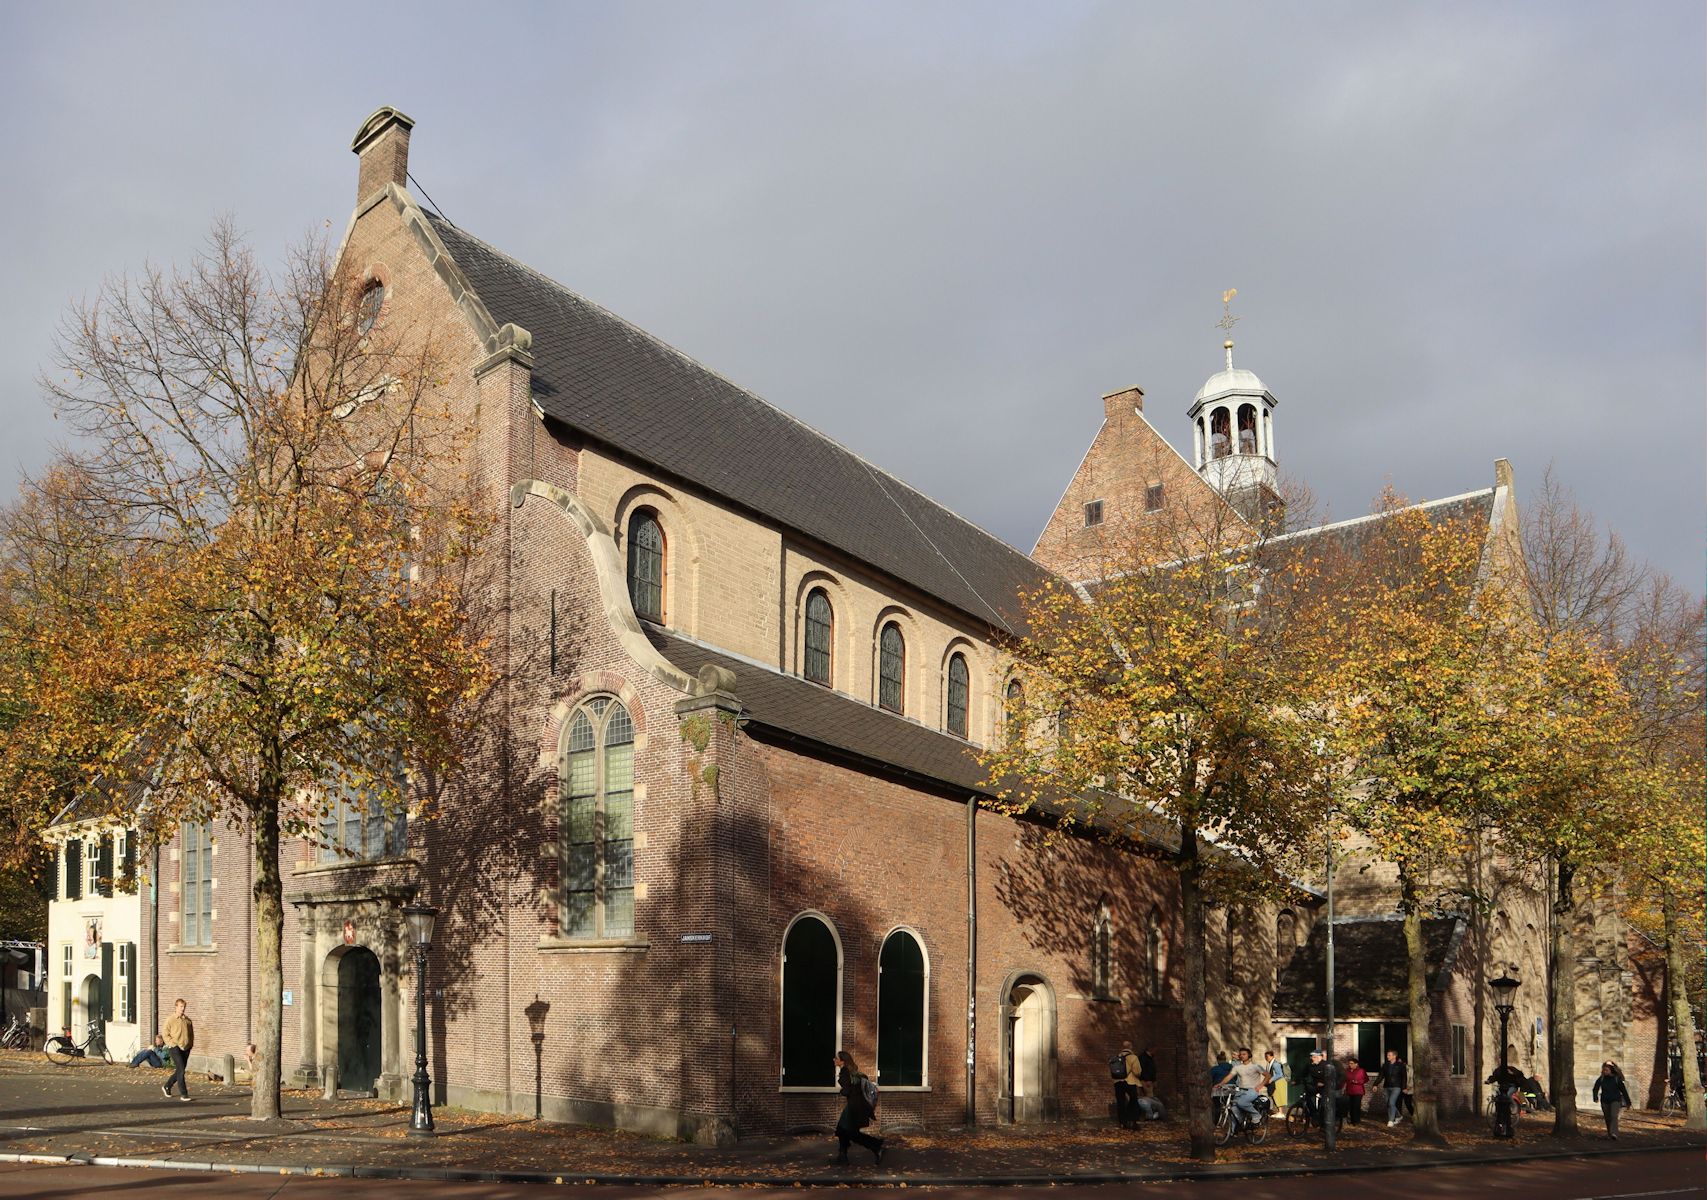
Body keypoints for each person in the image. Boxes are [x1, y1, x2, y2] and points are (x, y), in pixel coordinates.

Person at [833, 1049, 884, 1165]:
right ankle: (842, 1156)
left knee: (851, 1133)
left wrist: (841, 1091)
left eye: (836, 1058)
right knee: (842, 1130)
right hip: (859, 1106)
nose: (834, 1060)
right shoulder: (854, 1072)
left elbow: (846, 1091)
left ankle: (876, 1146)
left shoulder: (845, 1072)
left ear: (842, 1061)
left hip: (853, 1108)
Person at [161, 998, 193, 1102]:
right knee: (181, 1069)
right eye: (181, 1007)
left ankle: (167, 1086)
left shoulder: (187, 1021)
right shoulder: (170, 1019)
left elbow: (191, 1034)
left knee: (180, 1070)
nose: (182, 1009)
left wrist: (190, 1044)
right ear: (176, 1007)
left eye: (184, 1007)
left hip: (185, 1048)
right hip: (175, 1047)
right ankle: (184, 1094)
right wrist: (171, 1043)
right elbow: (165, 1034)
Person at [1228, 1047, 1268, 1130]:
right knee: (1233, 1108)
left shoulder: (1256, 1066)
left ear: (1249, 1055)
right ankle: (1233, 1130)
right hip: (1240, 1091)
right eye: (1240, 1054)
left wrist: (1261, 1085)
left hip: (1252, 1091)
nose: (1241, 1056)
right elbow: (1229, 1076)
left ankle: (1256, 1115)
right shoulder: (1237, 1067)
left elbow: (1268, 1076)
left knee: (1241, 1102)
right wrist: (1220, 1084)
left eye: (1244, 1054)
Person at [1593, 1061, 1631, 1140]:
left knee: (1614, 1116)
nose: (1605, 1072)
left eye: (1606, 1070)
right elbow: (1595, 1088)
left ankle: (1614, 1133)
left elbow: (1623, 1090)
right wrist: (1595, 1097)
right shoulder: (1601, 1078)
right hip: (1605, 1100)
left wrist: (1628, 1102)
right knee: (1607, 1118)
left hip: (1615, 1100)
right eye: (1604, 1070)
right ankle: (1610, 1134)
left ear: (1611, 1070)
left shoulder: (1616, 1079)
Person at [1376, 1048, 1408, 1127]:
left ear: (1394, 1056)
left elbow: (1404, 1077)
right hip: (1387, 1086)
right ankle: (1399, 1116)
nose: (1387, 1056)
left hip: (1396, 1087)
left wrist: (1404, 1087)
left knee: (1391, 1102)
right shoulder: (1385, 1065)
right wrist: (1375, 1084)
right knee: (1389, 1104)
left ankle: (1391, 1120)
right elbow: (1381, 1076)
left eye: (1389, 1055)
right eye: (1387, 1055)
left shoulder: (1401, 1065)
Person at [1114, 1043, 1141, 1129]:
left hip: (1118, 1082)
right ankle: (1133, 1121)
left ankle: (1122, 1123)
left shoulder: (1117, 1057)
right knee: (1134, 1100)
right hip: (1130, 1082)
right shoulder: (1133, 1057)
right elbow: (1137, 1072)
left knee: (1120, 1102)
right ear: (1130, 1047)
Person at [1343, 1055, 1367, 1125]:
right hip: (1349, 1090)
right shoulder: (1347, 1071)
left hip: (1358, 1091)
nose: (1350, 1065)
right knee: (1350, 1106)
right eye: (1349, 1063)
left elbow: (1366, 1079)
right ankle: (1352, 1120)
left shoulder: (1361, 1071)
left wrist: (1359, 1082)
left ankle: (1356, 1121)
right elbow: (1344, 1080)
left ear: (1356, 1064)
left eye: (1352, 1063)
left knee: (1356, 1106)